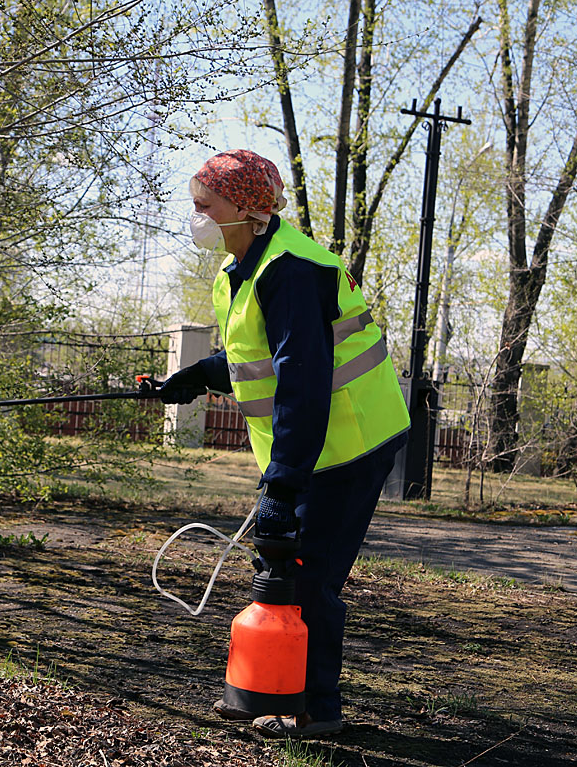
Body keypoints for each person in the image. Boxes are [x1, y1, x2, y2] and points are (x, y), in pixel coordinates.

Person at [158, 149, 410, 739]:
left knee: (309, 572)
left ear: (245, 208)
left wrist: (283, 482)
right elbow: (262, 357)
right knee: (280, 567)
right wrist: (201, 376)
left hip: (351, 441)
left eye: (205, 205)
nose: (196, 216)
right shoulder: (240, 268)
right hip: (309, 444)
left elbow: (303, 381)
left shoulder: (292, 270)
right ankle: (268, 692)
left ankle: (317, 711)